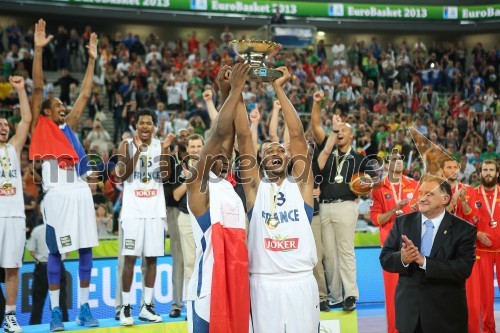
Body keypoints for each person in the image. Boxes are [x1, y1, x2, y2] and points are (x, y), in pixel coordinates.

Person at [235, 66, 319, 333]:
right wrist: (236, 91)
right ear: (259, 160)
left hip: (301, 282)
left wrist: (279, 87)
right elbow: (244, 137)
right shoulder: (254, 189)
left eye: (280, 150)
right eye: (268, 149)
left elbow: (297, 136)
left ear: (288, 158)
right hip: (264, 284)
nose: (275, 152)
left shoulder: (302, 185)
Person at [29, 19, 99, 331]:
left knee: (85, 250)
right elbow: (40, 86)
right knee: (57, 252)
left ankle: (84, 308)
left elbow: (85, 93)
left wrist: (93, 61)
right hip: (56, 195)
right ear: (45, 111)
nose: (63, 107)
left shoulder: (68, 125)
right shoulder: (39, 124)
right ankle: (56, 313)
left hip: (80, 190)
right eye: (57, 105)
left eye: (63, 105)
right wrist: (38, 51)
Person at [185, 64, 249, 333]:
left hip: (236, 286)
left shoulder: (228, 184)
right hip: (207, 292)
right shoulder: (198, 182)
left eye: (227, 155)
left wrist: (228, 92)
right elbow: (219, 135)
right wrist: (234, 90)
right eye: (217, 155)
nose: (225, 156)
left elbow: (232, 134)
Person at [380, 175, 476, 333]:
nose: (422, 198)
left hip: (446, 318)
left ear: (445, 199)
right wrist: (402, 259)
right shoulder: (402, 222)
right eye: (420, 193)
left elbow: (463, 269)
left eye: (429, 194)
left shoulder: (464, 230)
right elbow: (385, 258)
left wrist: (424, 261)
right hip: (409, 317)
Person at [115, 108, 171, 326]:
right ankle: (125, 308)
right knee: (129, 259)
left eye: (149, 123)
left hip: (155, 212)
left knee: (152, 259)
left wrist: (166, 150)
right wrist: (137, 151)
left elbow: (165, 176)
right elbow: (122, 175)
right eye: (141, 123)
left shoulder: (160, 145)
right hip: (132, 212)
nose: (145, 126)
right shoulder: (126, 145)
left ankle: (147, 306)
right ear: (135, 125)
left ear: (154, 126)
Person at [316, 120, 375, 311]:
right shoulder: (326, 154)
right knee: (329, 256)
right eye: (337, 130)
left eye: (344, 130)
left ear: (351, 136)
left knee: (346, 252)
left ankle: (350, 295)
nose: (340, 133)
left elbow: (373, 181)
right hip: (324, 206)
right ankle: (335, 296)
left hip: (346, 205)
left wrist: (363, 188)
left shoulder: (360, 158)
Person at [370, 149, 418, 333]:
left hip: (414, 247)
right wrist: (394, 210)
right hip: (392, 251)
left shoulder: (414, 185)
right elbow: (376, 220)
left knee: (415, 293)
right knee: (392, 297)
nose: (398, 162)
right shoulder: (378, 188)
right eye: (394, 159)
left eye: (400, 159)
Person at [0, 75, 31, 333]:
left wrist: (20, 90)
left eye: (4, 124)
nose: (3, 127)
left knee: (12, 267)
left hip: (14, 217)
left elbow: (27, 120)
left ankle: (10, 316)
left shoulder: (13, 146)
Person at [439, 155, 481, 333]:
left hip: (464, 249)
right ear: (442, 171)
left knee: (471, 298)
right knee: (444, 296)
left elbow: (475, 219)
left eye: (455, 167)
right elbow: (437, 217)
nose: (452, 170)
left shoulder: (470, 190)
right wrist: (452, 200)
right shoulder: (438, 191)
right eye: (448, 167)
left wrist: (463, 202)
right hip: (443, 250)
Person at [27, 214, 69, 325]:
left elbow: (31, 251)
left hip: (42, 267)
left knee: (37, 303)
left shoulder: (37, 230)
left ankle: (34, 327)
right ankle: (64, 325)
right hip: (59, 266)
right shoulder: (63, 230)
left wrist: (40, 259)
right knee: (61, 302)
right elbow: (68, 250)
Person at [474, 160, 500, 333]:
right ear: (480, 173)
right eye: (485, 170)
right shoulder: (471, 194)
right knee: (485, 296)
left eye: (491, 170)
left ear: (497, 173)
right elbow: (463, 221)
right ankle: (489, 330)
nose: (488, 173)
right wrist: (476, 234)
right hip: (481, 251)